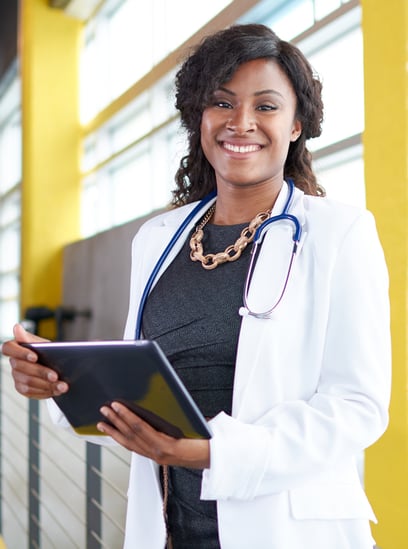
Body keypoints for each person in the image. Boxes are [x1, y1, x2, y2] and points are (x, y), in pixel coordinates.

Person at [2, 23, 391, 549]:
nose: (241, 122)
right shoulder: (157, 238)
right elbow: (139, 374)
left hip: (286, 528)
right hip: (170, 523)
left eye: (267, 106)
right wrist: (59, 379)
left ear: (298, 124)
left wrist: (214, 454)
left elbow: (357, 407)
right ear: (199, 117)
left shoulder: (339, 232)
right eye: (222, 103)